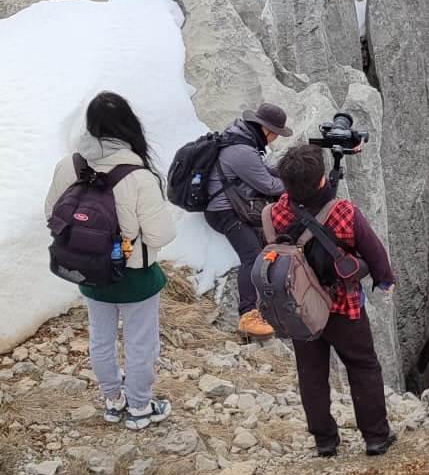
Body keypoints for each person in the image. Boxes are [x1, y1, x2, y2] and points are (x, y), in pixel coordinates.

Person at [44, 92, 176, 430]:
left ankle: (112, 402)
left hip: (89, 273)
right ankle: (140, 408)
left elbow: (52, 216)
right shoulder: (137, 175)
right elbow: (161, 235)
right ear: (129, 126)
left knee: (100, 339)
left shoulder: (69, 166)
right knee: (140, 344)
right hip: (134, 277)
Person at [271, 143, 396, 458]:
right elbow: (374, 253)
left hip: (300, 309)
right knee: (363, 366)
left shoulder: (274, 212)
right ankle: (376, 438)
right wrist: (385, 281)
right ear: (322, 180)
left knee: (311, 375)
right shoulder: (344, 211)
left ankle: (325, 441)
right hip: (343, 305)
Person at [204, 102, 290, 338]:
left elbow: (261, 172)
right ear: (267, 130)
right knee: (252, 255)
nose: (275, 139)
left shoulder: (241, 139)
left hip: (228, 205)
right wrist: (297, 183)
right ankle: (248, 314)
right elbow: (268, 184)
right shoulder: (243, 150)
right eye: (276, 134)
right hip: (224, 212)